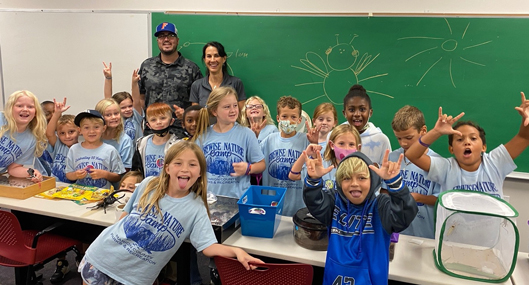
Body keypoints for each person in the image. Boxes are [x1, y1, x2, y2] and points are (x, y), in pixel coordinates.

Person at [79, 140, 263, 285]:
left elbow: (207, 246)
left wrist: (237, 251)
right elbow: (125, 217)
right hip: (103, 257)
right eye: (178, 163)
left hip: (136, 276)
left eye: (192, 164)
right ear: (167, 168)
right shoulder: (149, 183)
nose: (184, 169)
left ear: (200, 173)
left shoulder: (196, 207)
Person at [303, 150, 417, 285]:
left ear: (372, 180)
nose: (354, 183)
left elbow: (404, 215)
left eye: (361, 178)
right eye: (346, 178)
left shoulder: (380, 205)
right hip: (334, 278)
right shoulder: (334, 202)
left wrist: (395, 185)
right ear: (339, 183)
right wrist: (313, 180)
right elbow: (314, 202)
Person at [406, 93, 529, 198]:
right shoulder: (446, 168)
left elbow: (524, 137)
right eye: (459, 139)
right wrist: (436, 132)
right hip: (454, 227)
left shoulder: (495, 162)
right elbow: (412, 155)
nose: (467, 142)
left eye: (473, 138)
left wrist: (526, 119)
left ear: (483, 147)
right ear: (451, 149)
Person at [193, 86, 265, 198]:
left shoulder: (246, 134)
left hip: (238, 199)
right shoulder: (203, 136)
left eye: (235, 105)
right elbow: (194, 165)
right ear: (214, 111)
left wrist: (248, 168)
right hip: (209, 198)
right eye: (227, 107)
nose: (233, 110)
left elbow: (261, 165)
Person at [138, 22, 203, 138]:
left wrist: (186, 115)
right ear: (157, 41)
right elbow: (141, 98)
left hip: (181, 132)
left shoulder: (191, 68)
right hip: (153, 132)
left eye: (170, 36)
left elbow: (199, 103)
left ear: (177, 40)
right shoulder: (146, 66)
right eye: (162, 36)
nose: (166, 39)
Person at [388, 105, 442, 239]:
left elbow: (441, 199)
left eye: (408, 137)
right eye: (399, 138)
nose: (403, 143)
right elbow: (384, 192)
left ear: (423, 130)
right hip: (397, 233)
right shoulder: (392, 158)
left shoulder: (437, 162)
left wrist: (418, 197)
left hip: (425, 233)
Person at [260, 96, 309, 216]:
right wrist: (254, 136)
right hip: (273, 204)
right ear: (278, 118)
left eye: (293, 117)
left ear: (299, 120)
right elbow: (253, 159)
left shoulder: (306, 141)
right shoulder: (268, 141)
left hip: (298, 206)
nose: (289, 121)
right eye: (284, 116)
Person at [289, 124, 361, 193]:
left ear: (358, 148)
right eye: (341, 144)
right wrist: (305, 154)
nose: (346, 148)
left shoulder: (362, 169)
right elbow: (293, 175)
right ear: (332, 145)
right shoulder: (323, 165)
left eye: (351, 144)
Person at [65, 110, 125, 189]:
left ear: (103, 128)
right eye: (86, 127)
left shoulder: (110, 150)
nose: (91, 131)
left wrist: (105, 174)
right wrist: (76, 175)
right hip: (79, 194)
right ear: (79, 130)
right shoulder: (74, 149)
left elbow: (118, 177)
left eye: (96, 127)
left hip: (102, 195)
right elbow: (68, 175)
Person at [0, 90, 46, 182]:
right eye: (19, 106)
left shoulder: (32, 139)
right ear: (10, 108)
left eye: (30, 106)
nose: (25, 109)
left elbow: (13, 168)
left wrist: (31, 172)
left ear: (36, 112)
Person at [343, 84, 391, 165]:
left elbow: (388, 171)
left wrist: (377, 169)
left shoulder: (381, 139)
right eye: (351, 110)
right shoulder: (335, 136)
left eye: (362, 109)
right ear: (344, 113)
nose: (357, 114)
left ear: (370, 113)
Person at [190, 41, 246, 110]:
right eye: (209, 56)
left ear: (224, 59)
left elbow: (241, 114)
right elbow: (195, 116)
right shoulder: (196, 85)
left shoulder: (236, 83)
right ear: (204, 60)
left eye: (216, 56)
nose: (212, 60)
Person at [132, 102, 180, 178]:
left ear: (171, 121)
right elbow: (136, 169)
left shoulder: (178, 145)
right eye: (153, 120)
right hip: (147, 187)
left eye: (163, 118)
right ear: (148, 125)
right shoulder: (141, 144)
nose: (158, 122)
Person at [103, 62, 144, 148]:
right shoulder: (115, 119)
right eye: (123, 108)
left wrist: (134, 83)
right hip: (120, 152)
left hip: (136, 154)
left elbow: (136, 101)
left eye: (130, 106)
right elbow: (108, 99)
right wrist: (108, 78)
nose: (128, 109)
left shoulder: (135, 117)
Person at [45, 98, 79, 183]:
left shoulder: (82, 149)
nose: (67, 136)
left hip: (72, 188)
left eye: (71, 132)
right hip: (54, 186)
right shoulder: (59, 145)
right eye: (62, 133)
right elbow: (49, 133)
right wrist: (57, 113)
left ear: (79, 130)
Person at [95, 98, 133, 170]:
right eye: (108, 115)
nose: (113, 117)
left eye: (116, 113)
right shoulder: (94, 137)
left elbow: (126, 168)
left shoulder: (125, 140)